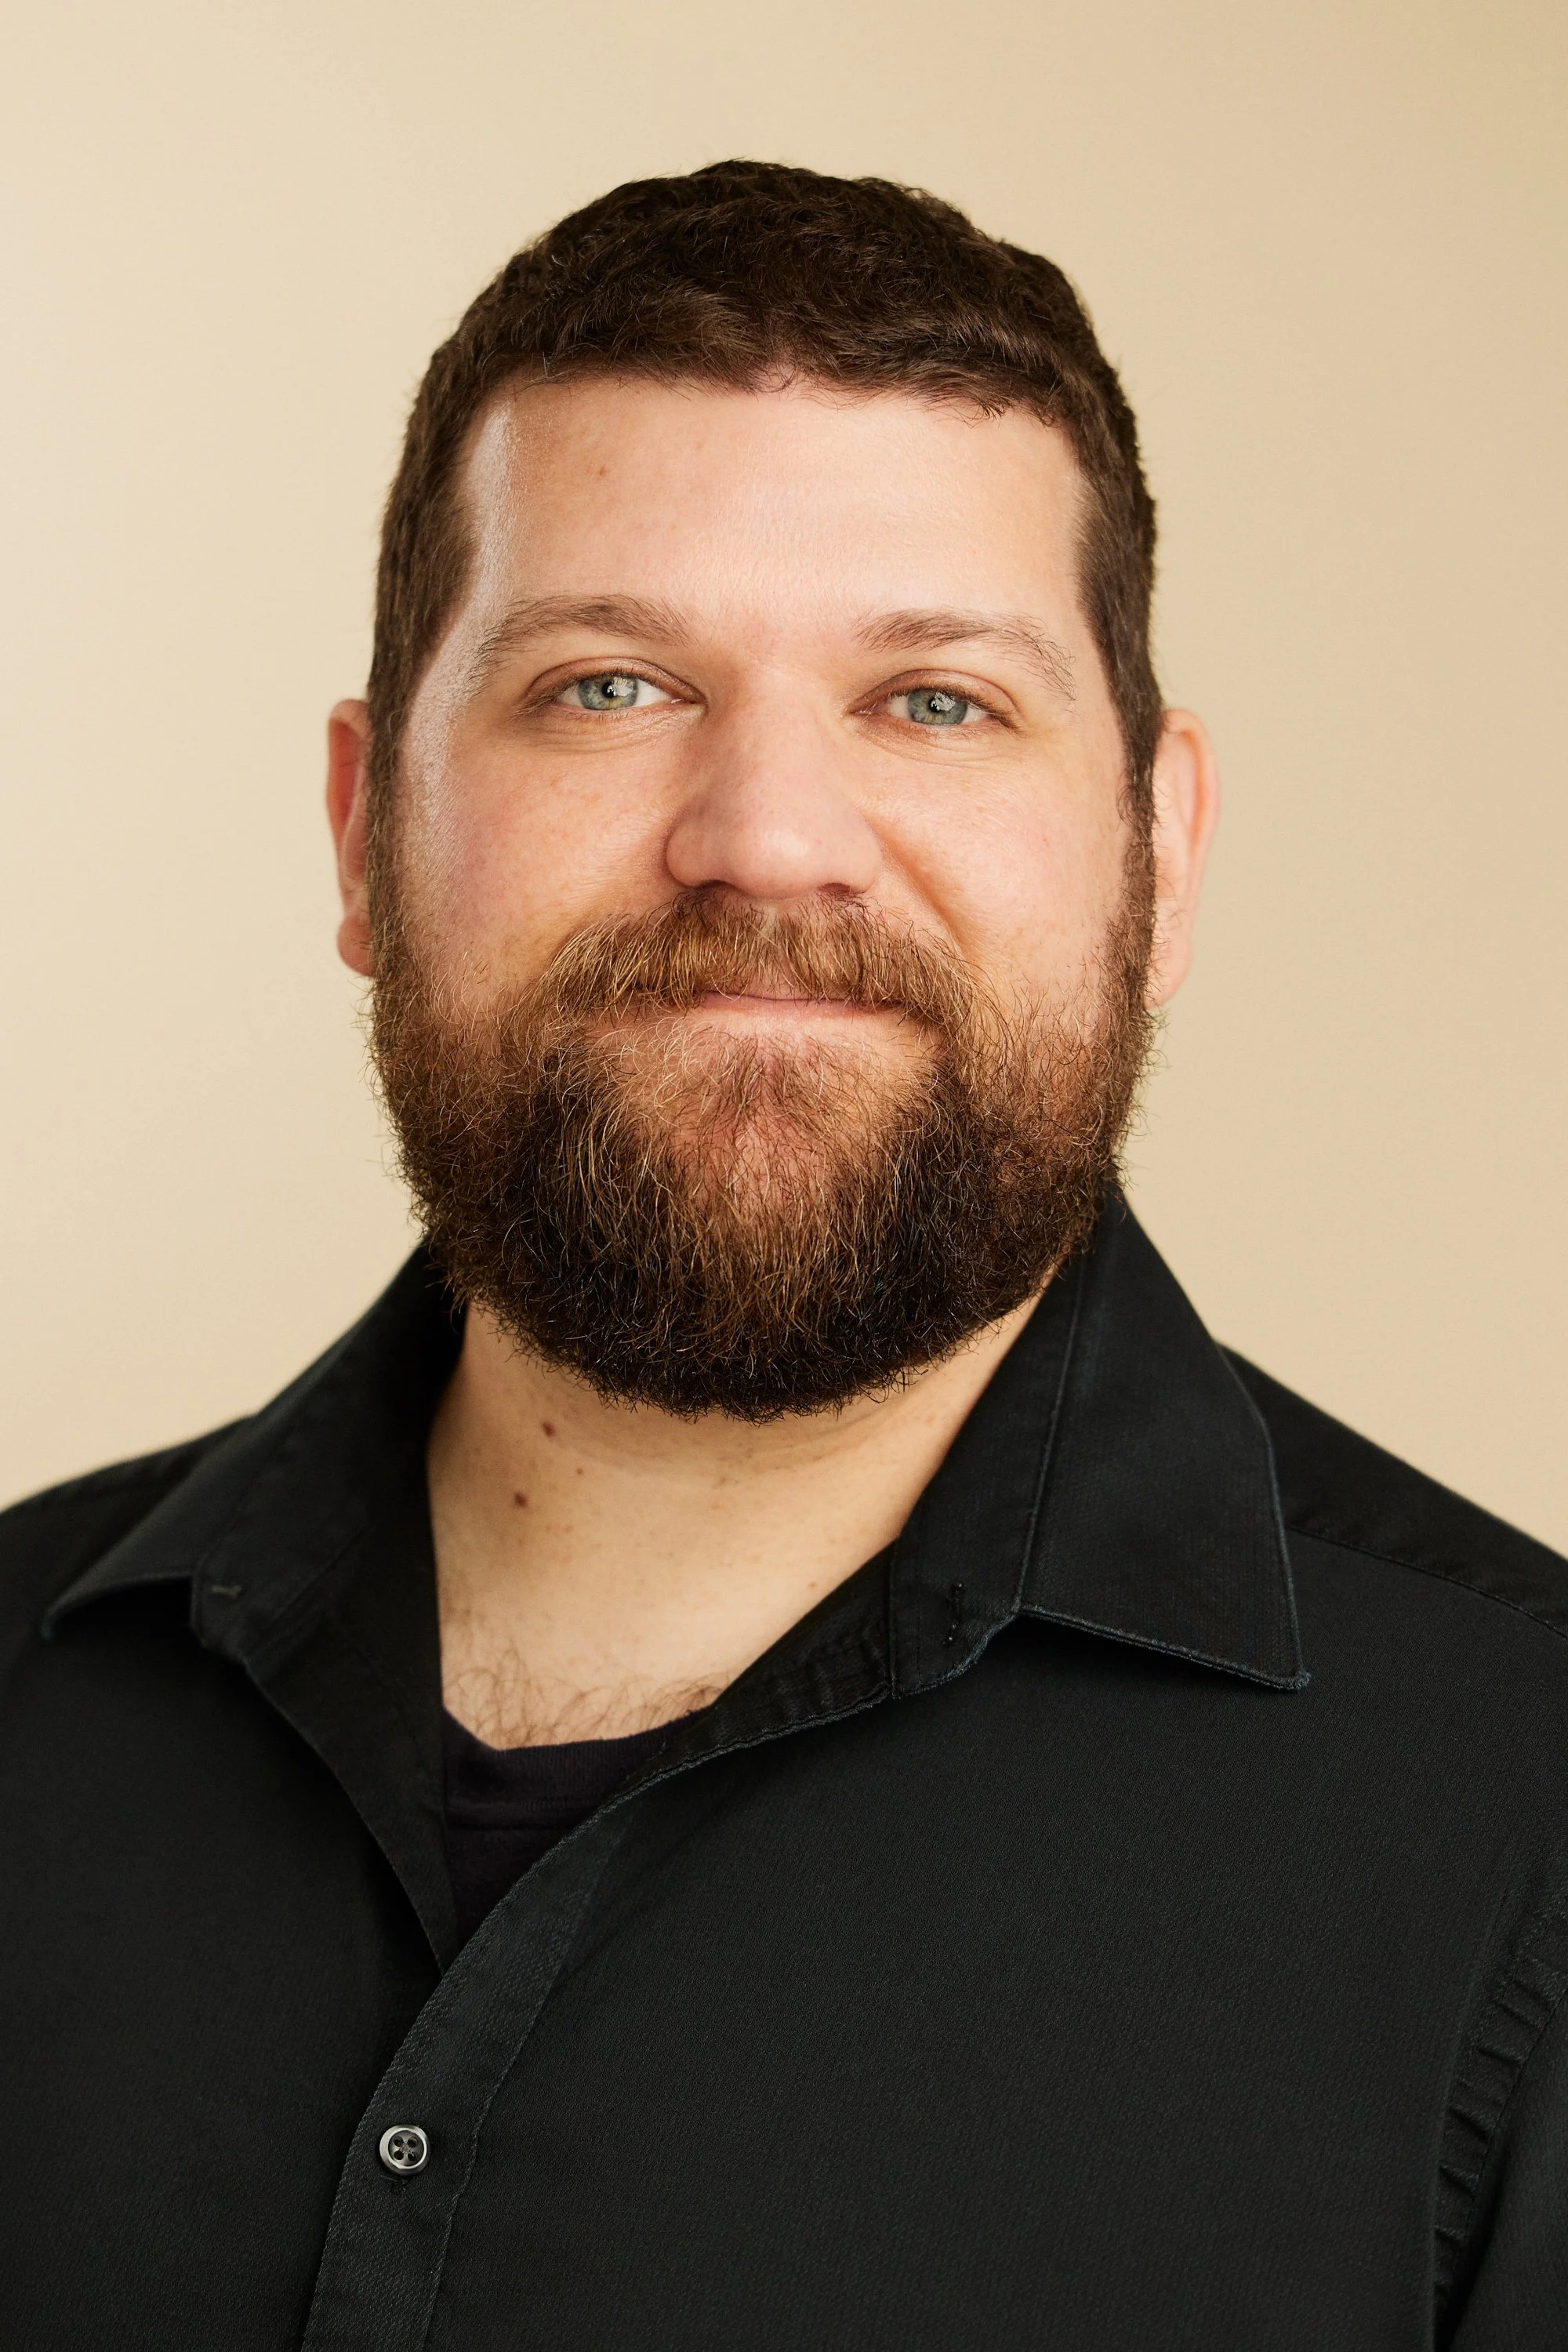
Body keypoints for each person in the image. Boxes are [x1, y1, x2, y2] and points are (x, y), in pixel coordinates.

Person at [2, 161, 1563, 2352]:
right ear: (365, 832)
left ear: (1159, 857)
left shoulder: (1530, 1834)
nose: (768, 839)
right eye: (610, 688)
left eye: (937, 700)